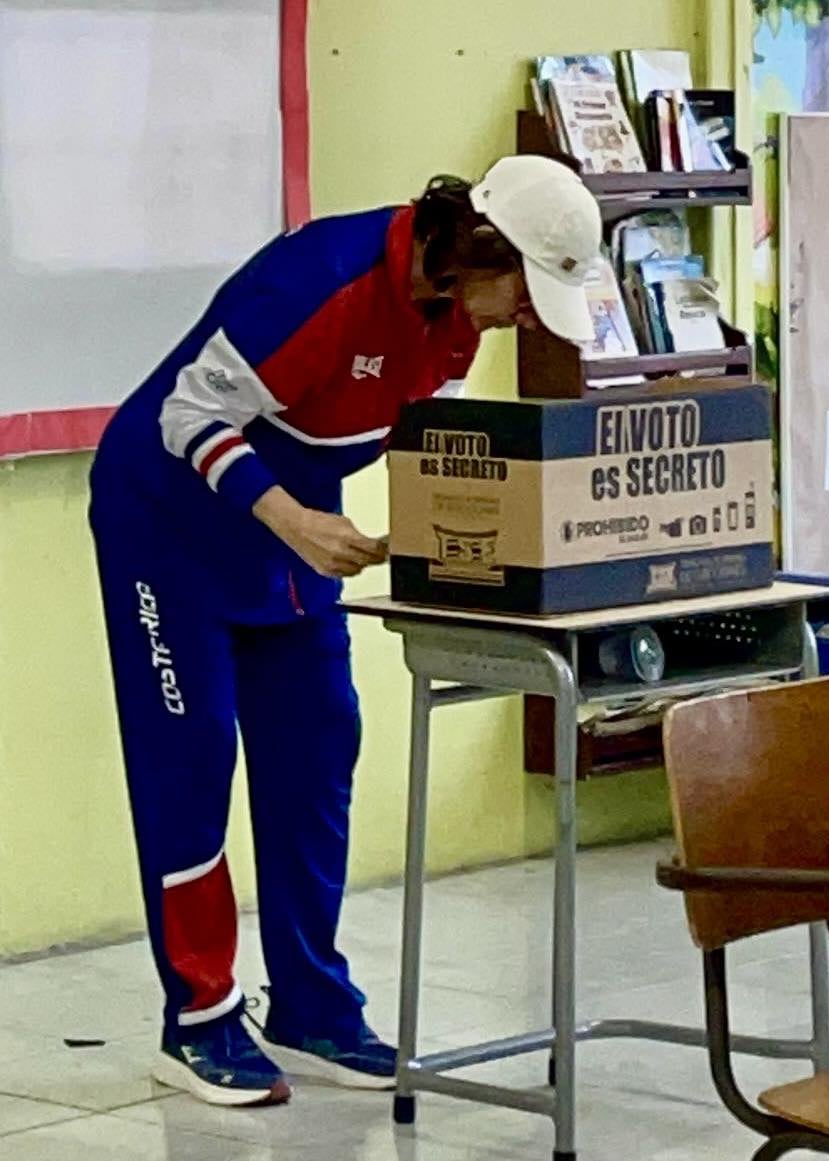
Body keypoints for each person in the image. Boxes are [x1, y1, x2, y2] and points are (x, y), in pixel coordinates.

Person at [89, 154, 602, 1108]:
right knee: (189, 761)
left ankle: (311, 1006)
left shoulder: (460, 318)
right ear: (480, 249)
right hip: (168, 524)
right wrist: (296, 522)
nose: (526, 320)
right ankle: (197, 1019)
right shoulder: (320, 280)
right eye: (526, 297)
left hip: (290, 527)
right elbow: (187, 415)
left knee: (318, 743)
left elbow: (421, 436)